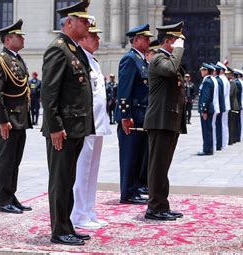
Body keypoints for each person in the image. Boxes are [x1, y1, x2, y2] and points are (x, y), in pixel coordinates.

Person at [41, 1, 94, 246]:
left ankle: (66, 225)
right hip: (62, 130)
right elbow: (49, 93)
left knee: (68, 179)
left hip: (75, 128)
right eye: (83, 21)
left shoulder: (74, 49)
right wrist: (54, 127)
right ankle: (59, 231)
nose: (88, 24)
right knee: (60, 180)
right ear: (69, 22)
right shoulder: (58, 49)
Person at [70, 17, 112, 230]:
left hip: (97, 124)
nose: (97, 39)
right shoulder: (79, 60)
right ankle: (78, 214)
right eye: (93, 36)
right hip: (85, 126)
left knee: (92, 170)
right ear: (83, 38)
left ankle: (89, 210)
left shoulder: (93, 61)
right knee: (82, 171)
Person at [0, 19, 33, 215]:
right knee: (6, 160)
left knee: (15, 160)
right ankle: (3, 200)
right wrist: (3, 121)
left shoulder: (17, 59)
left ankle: (11, 195)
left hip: (20, 119)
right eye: (19, 36)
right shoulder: (0, 61)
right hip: (8, 121)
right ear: (8, 39)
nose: (23, 38)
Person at [143, 21, 186, 221]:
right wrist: (178, 50)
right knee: (157, 166)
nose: (181, 45)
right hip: (160, 120)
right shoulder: (158, 59)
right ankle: (154, 207)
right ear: (168, 41)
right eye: (177, 41)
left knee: (163, 166)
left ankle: (162, 205)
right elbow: (170, 70)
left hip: (169, 120)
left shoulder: (167, 58)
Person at [115, 24, 153, 205]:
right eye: (145, 38)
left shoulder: (142, 60)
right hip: (132, 116)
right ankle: (127, 192)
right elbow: (124, 90)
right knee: (129, 156)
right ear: (136, 40)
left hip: (141, 115)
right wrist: (125, 116)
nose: (149, 41)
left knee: (139, 155)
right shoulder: (130, 59)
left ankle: (136, 187)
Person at [197, 63, 216, 156]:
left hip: (207, 110)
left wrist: (204, 110)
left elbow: (206, 97)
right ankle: (208, 148)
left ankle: (207, 149)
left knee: (206, 129)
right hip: (208, 109)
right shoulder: (207, 80)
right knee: (207, 129)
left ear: (206, 71)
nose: (201, 72)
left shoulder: (207, 82)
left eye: (203, 70)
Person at [216, 61, 231, 149]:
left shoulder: (221, 80)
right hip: (226, 105)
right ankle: (224, 142)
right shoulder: (225, 79)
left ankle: (221, 143)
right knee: (224, 124)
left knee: (221, 124)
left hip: (222, 105)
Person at [227, 67, 239, 145]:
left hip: (232, 106)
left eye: (227, 74)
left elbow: (230, 95)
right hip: (231, 106)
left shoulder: (232, 83)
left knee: (231, 124)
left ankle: (231, 140)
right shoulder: (230, 83)